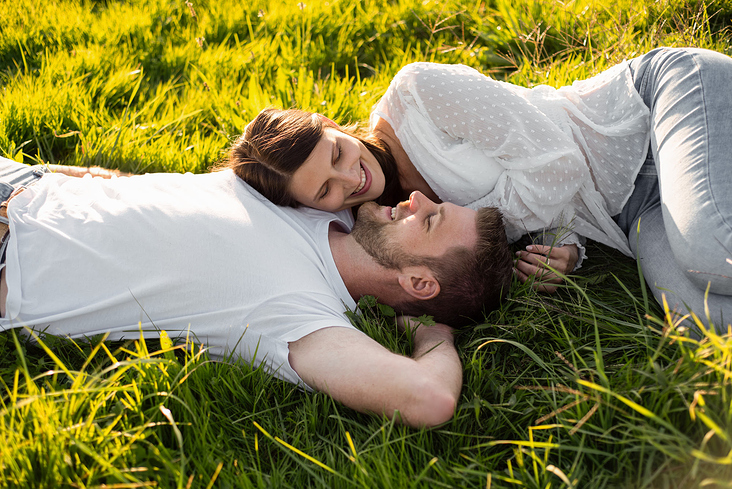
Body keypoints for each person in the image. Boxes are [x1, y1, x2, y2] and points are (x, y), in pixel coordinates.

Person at [229, 47, 732, 333]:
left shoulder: (418, 95)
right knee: (704, 317)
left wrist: (478, 227)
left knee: (709, 251)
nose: (351, 179)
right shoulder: (395, 218)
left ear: (333, 124)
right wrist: (563, 253)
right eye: (325, 192)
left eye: (337, 154)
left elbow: (557, 164)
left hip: (653, 116)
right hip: (629, 208)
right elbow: (556, 209)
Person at [0, 157, 513, 428]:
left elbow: (431, 399)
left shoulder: (298, 316)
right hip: (29, 181)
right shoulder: (325, 203)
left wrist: (434, 339)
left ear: (419, 283)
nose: (417, 199)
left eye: (431, 219)